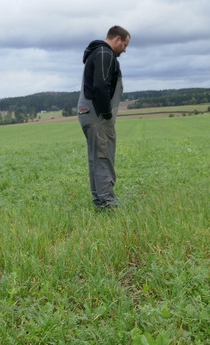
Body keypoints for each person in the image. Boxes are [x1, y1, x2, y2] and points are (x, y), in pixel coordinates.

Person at [77, 26, 130, 210]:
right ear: (117, 39)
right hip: (97, 114)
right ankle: (108, 204)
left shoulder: (97, 52)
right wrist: (106, 114)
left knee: (95, 157)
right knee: (103, 156)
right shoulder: (104, 53)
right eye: (125, 44)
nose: (125, 49)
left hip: (88, 112)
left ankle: (100, 201)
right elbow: (100, 86)